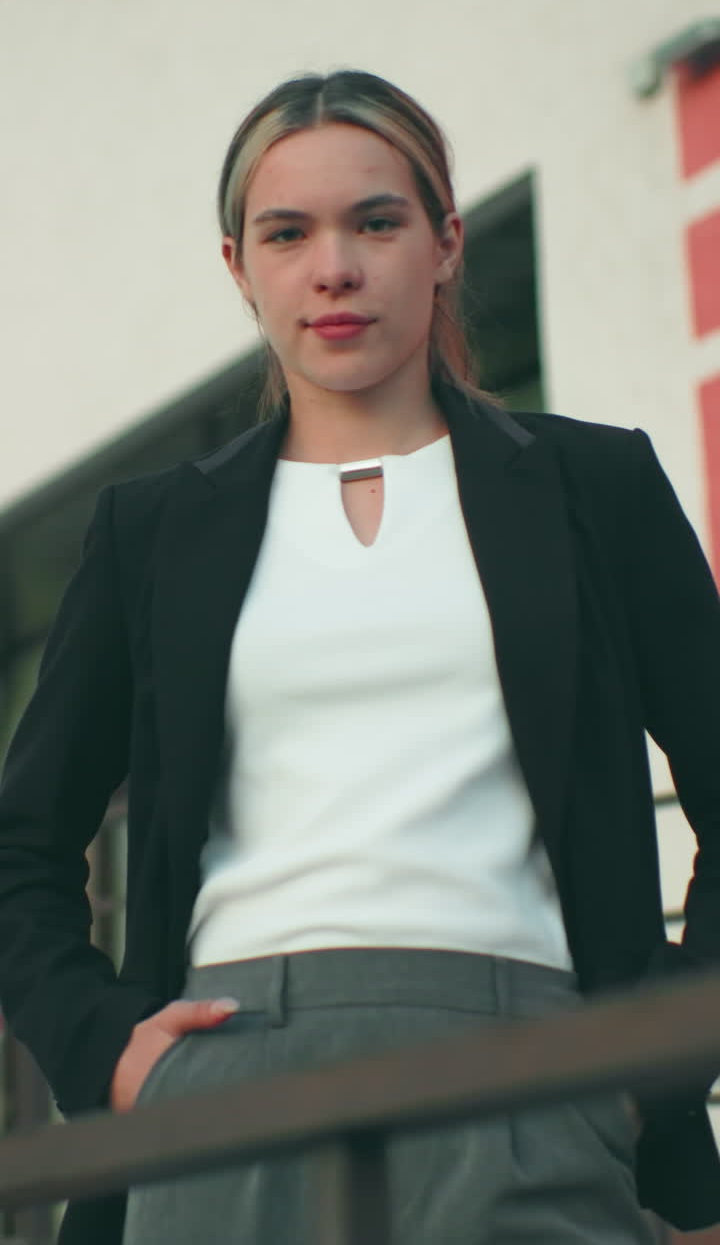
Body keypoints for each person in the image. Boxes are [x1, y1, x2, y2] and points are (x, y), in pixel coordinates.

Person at [0, 68, 719, 1245]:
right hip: (220, 1080)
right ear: (239, 266)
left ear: (442, 243)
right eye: (288, 232)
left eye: (375, 222)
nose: (333, 266)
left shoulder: (596, 488)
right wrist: (112, 1055)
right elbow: (21, 840)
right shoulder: (153, 534)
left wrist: (658, 1054)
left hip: (538, 1062)